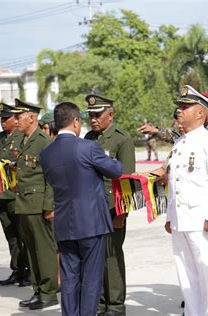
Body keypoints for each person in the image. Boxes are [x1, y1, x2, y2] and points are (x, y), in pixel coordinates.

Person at [40, 102, 123, 316]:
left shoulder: (47, 153)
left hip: (64, 223)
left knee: (69, 276)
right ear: (76, 121)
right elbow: (115, 170)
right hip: (91, 222)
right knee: (92, 277)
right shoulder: (88, 147)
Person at [157, 85, 208, 315]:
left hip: (201, 221)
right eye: (179, 107)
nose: (179, 111)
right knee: (186, 274)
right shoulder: (179, 144)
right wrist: (170, 217)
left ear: (200, 113)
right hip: (181, 220)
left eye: (185, 107)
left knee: (206, 273)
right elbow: (175, 183)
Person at [84, 94, 135, 316]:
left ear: (110, 115)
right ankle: (100, 301)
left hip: (112, 207)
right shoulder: (88, 138)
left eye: (97, 115)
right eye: (90, 115)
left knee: (112, 257)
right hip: (91, 207)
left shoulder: (122, 139)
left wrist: (121, 213)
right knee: (95, 256)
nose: (93, 119)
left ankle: (115, 305)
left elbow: (127, 179)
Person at [12, 98, 59, 310]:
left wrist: (49, 206)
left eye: (19, 116)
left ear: (32, 117)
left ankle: (49, 292)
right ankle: (38, 289)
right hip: (24, 204)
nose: (15, 120)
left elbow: (51, 177)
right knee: (31, 250)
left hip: (39, 205)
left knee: (44, 250)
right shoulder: (24, 139)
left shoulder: (42, 141)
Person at [0, 102, 30, 287]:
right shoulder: (0, 137)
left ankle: (29, 271)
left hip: (16, 195)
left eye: (5, 118)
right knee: (12, 237)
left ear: (15, 119)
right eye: (1, 119)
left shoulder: (21, 136)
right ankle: (17, 270)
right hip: (2, 194)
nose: (2, 122)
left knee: (24, 236)